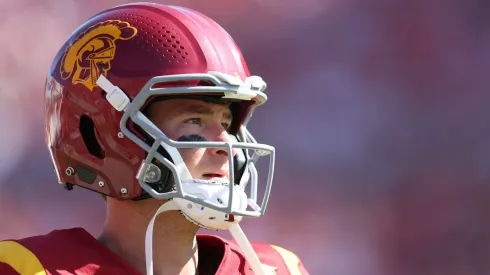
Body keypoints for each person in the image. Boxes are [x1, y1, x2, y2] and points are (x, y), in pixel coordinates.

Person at [0, 2, 309, 275]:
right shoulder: (28, 268)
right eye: (194, 120)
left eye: (227, 124)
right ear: (100, 135)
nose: (227, 145)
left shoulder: (278, 268)